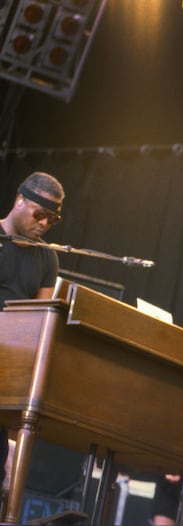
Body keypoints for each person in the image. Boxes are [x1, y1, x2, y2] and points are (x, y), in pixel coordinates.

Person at [0, 172, 65, 492]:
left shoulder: (47, 257)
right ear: (19, 200)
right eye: (40, 214)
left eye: (52, 219)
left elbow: (40, 320)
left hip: (9, 369)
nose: (44, 224)